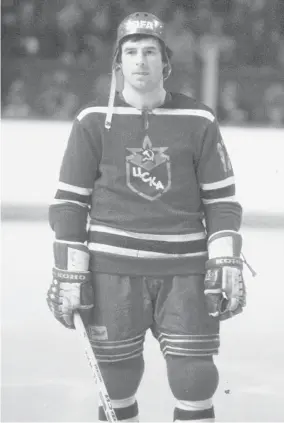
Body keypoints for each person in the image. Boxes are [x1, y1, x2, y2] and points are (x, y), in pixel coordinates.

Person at [47, 12, 247, 423]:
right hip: (112, 271)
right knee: (116, 380)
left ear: (166, 63)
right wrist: (69, 268)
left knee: (195, 378)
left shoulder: (198, 120)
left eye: (150, 51)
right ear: (118, 64)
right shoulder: (91, 122)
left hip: (184, 271)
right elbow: (70, 203)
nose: (141, 61)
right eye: (131, 52)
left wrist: (223, 254)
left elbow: (221, 202)